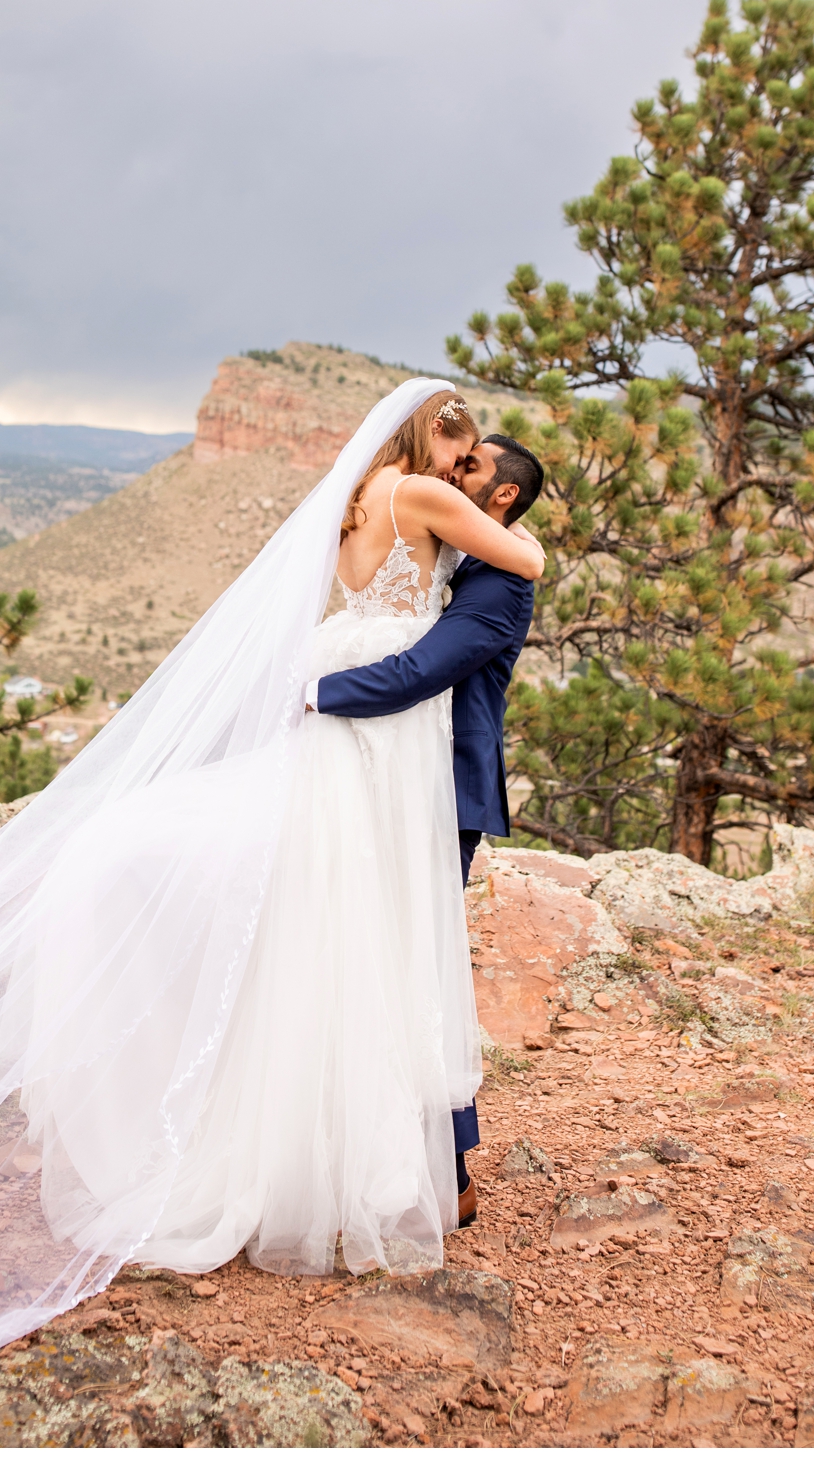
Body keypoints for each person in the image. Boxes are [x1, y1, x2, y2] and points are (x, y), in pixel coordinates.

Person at [0, 380, 543, 1434]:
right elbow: (513, 577)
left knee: (328, 939)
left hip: (346, 731)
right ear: (437, 443)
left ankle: (359, 1152)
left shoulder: (357, 495)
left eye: (474, 473)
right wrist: (453, 539)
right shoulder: (433, 503)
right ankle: (376, 1169)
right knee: (364, 944)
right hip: (371, 744)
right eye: (461, 457)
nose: (466, 477)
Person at [307, 431, 547, 1228]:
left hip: (440, 790)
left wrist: (309, 696)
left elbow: (415, 674)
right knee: (368, 956)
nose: (451, 470)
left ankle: (449, 1170)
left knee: (418, 961)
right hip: (388, 776)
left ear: (501, 495)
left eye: (469, 466)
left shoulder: (501, 583)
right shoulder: (459, 547)